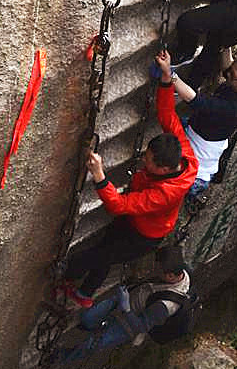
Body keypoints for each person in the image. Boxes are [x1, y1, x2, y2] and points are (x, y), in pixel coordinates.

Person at [60, 75, 197, 307]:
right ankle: (84, 295)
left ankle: (66, 275)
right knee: (106, 250)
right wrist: (166, 79)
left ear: (164, 169)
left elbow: (119, 205)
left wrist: (100, 176)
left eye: (150, 161)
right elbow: (168, 116)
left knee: (99, 255)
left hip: (144, 235)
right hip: (138, 220)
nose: (144, 160)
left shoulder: (166, 193)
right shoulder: (183, 154)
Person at [153, 47, 237, 209]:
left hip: (199, 162)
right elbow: (228, 66)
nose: (228, 74)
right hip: (199, 129)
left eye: (233, 75)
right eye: (232, 70)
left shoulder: (235, 109)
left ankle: (191, 195)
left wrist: (170, 74)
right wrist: (225, 43)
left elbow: (196, 101)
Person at [56, 245, 191, 367]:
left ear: (171, 276)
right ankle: (88, 325)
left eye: (159, 270)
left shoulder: (165, 306)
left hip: (126, 326)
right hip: (127, 299)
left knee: (92, 344)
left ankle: (63, 356)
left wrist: (126, 307)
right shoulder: (182, 273)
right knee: (87, 318)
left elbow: (139, 326)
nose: (154, 270)